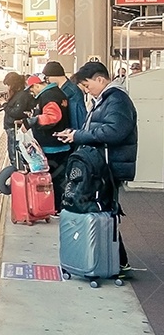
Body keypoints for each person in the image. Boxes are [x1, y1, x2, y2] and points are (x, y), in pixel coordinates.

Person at [57, 62, 138, 273]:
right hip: (103, 164)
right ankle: (111, 259)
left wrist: (79, 136)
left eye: (87, 84)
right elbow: (96, 128)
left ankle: (115, 261)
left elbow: (114, 132)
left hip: (110, 166)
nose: (85, 89)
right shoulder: (104, 100)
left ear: (100, 79)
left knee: (106, 210)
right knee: (104, 209)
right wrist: (74, 134)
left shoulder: (117, 100)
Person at [20, 73, 72, 206]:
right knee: (58, 178)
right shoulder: (56, 93)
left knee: (54, 179)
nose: (32, 92)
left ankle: (55, 207)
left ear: (36, 85)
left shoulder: (49, 96)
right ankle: (57, 206)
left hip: (53, 146)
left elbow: (53, 116)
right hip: (58, 143)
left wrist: (33, 120)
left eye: (32, 89)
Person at [2, 71, 35, 165]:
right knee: (13, 153)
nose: (7, 87)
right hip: (12, 128)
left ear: (13, 85)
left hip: (15, 129)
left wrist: (3, 104)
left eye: (8, 84)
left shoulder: (22, 95)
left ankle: (18, 171)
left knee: (15, 155)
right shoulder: (18, 94)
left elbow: (16, 112)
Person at [42, 60, 87, 131]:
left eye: (47, 78)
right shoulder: (63, 89)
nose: (47, 82)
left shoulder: (71, 92)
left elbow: (76, 118)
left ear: (54, 76)